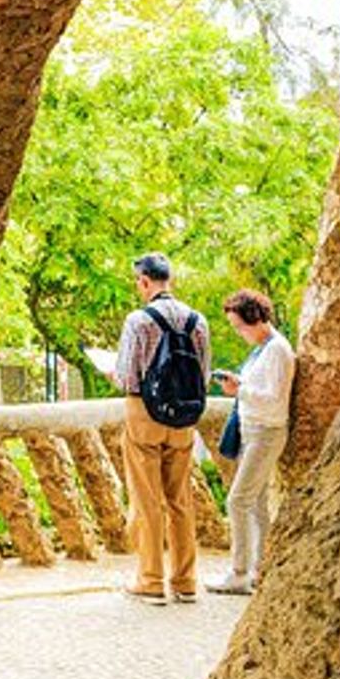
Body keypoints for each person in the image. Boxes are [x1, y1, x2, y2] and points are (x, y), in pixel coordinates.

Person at [109, 253, 211, 605]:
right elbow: (204, 374)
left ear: (144, 281)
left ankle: (150, 580)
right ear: (170, 280)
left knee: (148, 499)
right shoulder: (198, 322)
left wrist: (111, 371)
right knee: (180, 500)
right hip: (183, 417)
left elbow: (126, 376)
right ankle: (186, 581)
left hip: (144, 414)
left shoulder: (139, 320)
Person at [206, 288, 295, 596]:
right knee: (255, 503)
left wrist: (239, 391)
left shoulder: (277, 350)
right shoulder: (263, 349)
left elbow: (274, 399)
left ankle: (240, 571)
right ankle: (260, 568)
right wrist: (240, 383)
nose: (238, 333)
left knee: (238, 500)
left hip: (266, 432)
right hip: (252, 430)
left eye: (239, 326)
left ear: (255, 319)